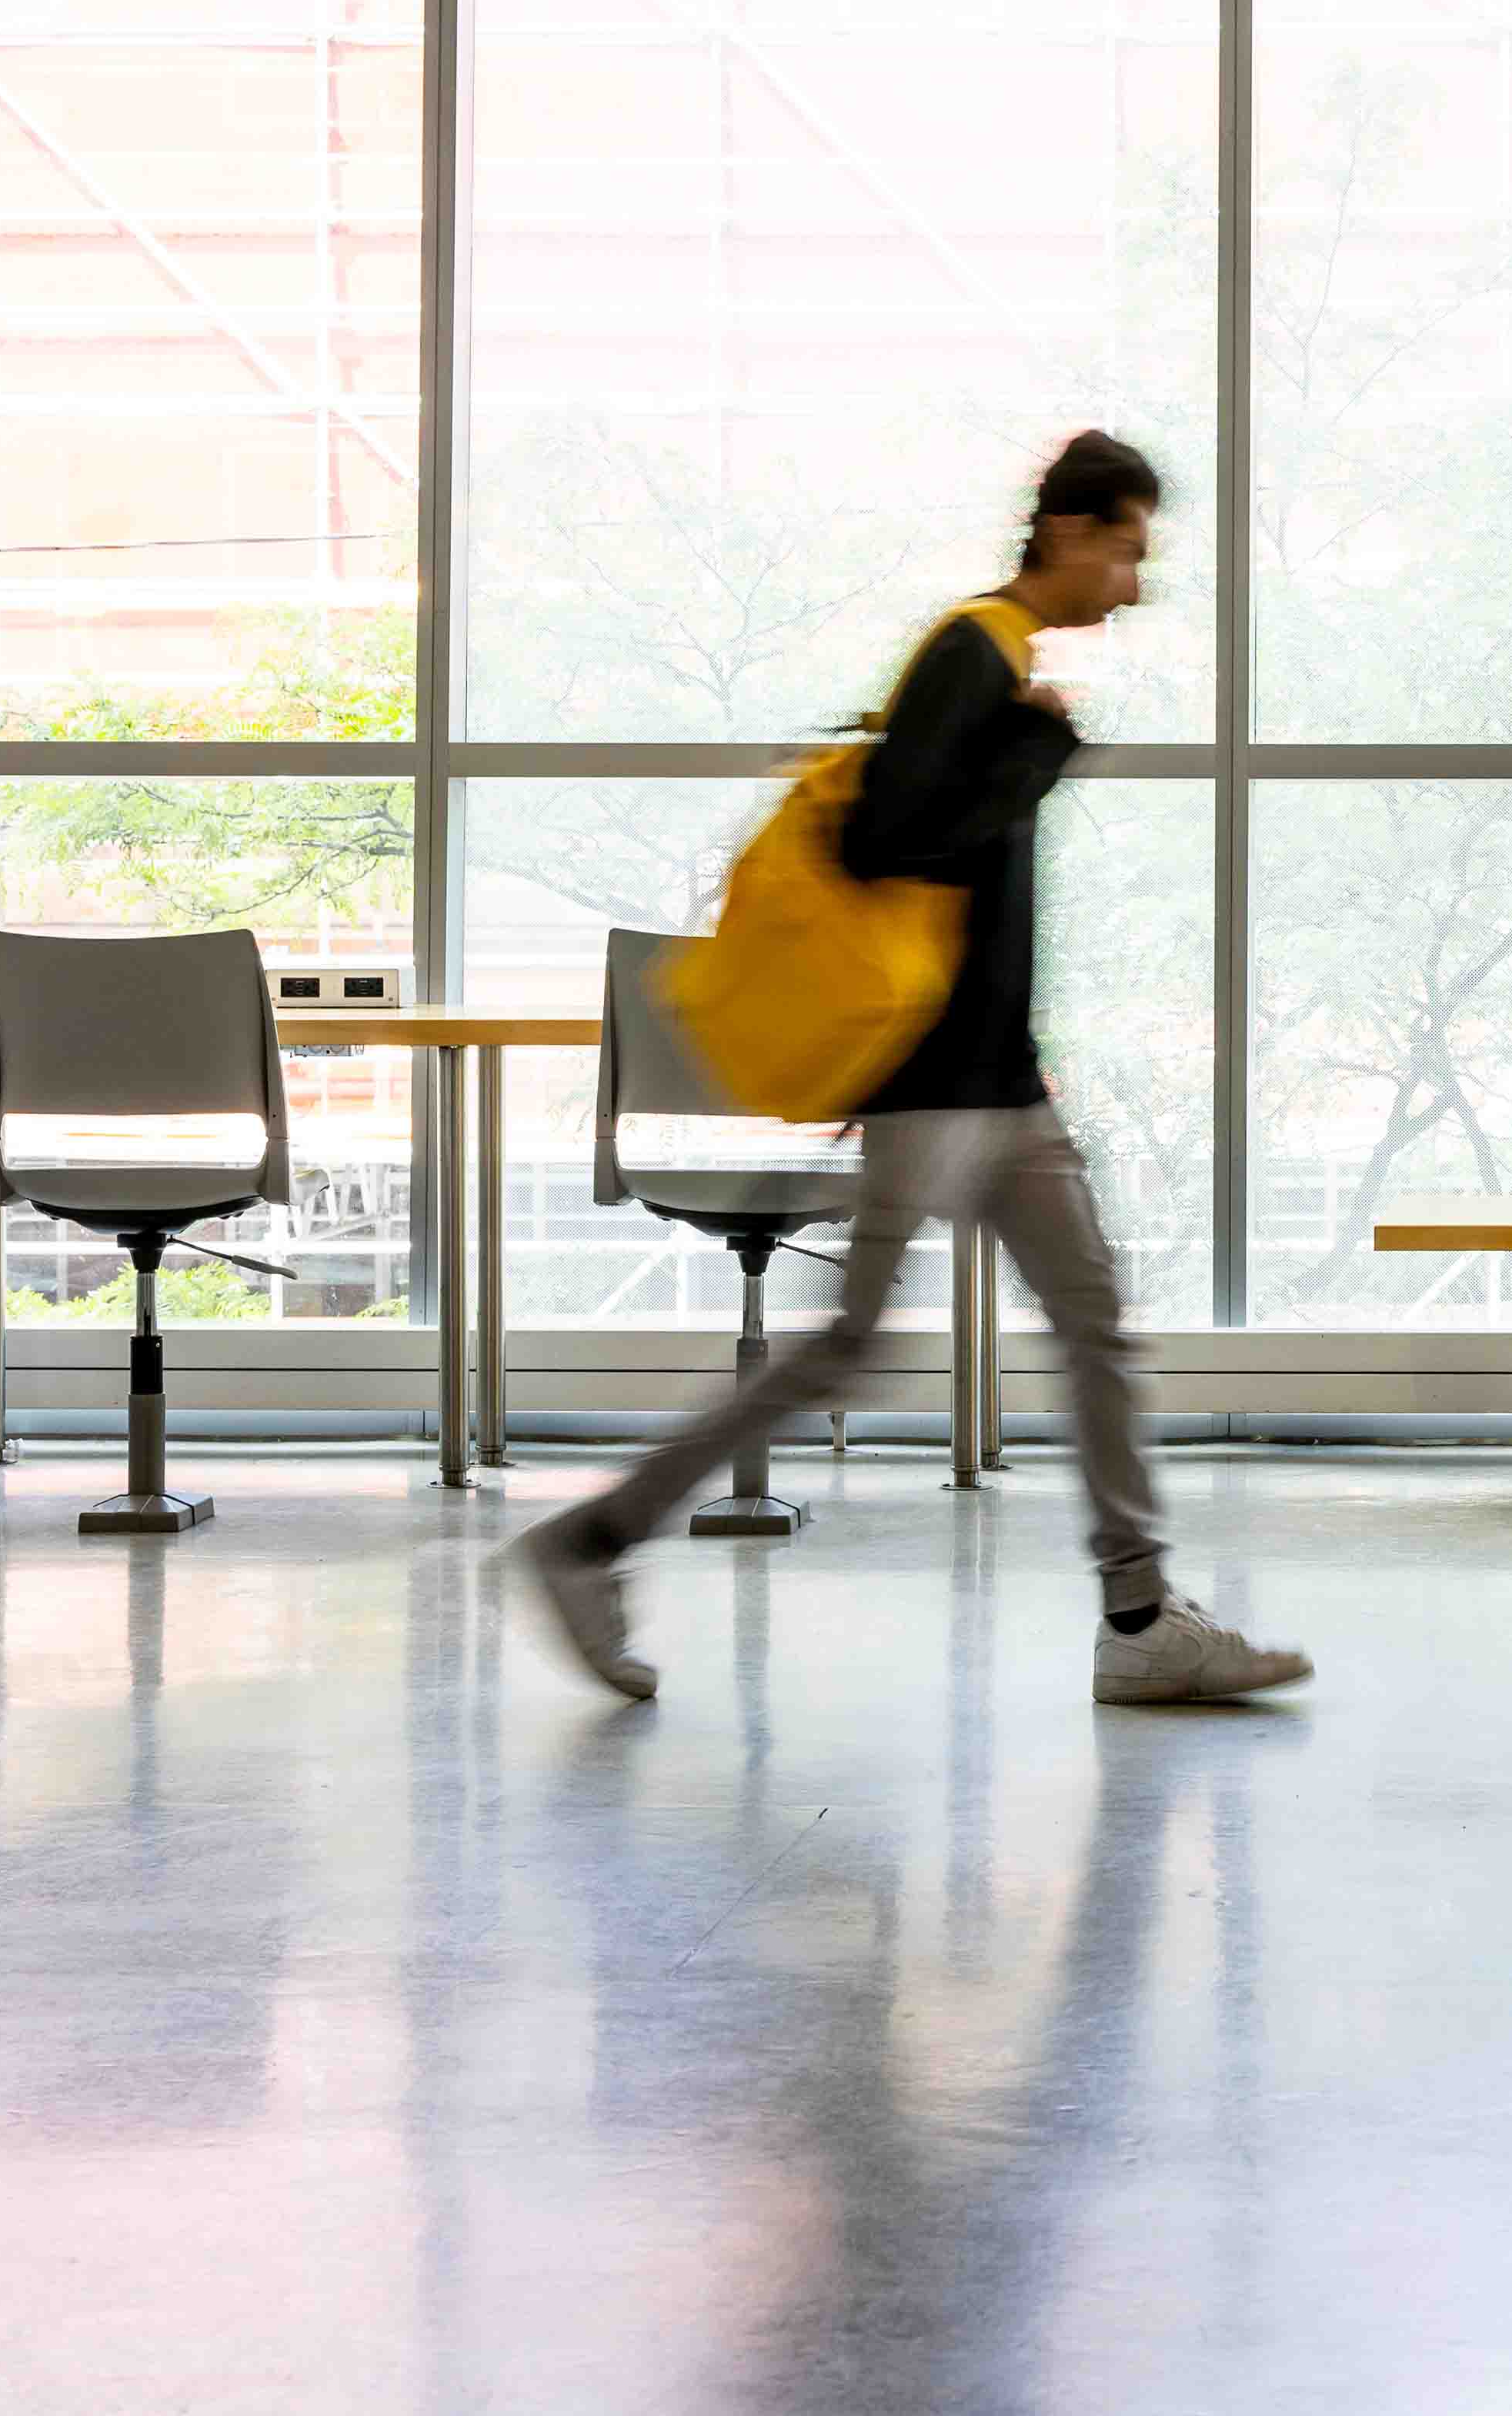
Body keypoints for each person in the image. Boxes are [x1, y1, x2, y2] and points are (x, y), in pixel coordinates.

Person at [511, 432, 1312, 1707]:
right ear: (1061, 529)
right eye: (1123, 545)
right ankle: (588, 1542)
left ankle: (1141, 1615)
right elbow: (893, 834)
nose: (1134, 580)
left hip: (1003, 1085)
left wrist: (1034, 746)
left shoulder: (1000, 665)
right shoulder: (971, 651)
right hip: (937, 1085)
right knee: (850, 1348)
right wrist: (1039, 749)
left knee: (1093, 1326)